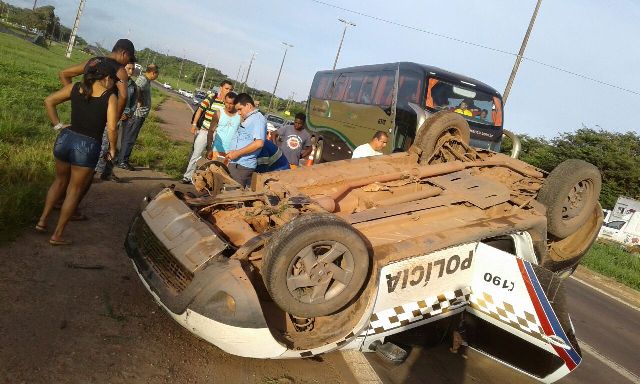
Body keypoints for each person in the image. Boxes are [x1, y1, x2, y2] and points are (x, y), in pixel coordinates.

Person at [36, 58, 118, 245]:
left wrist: (58, 125)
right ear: (105, 78)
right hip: (87, 145)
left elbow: (49, 101)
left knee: (59, 181)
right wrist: (113, 148)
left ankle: (42, 221)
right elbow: (112, 128)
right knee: (74, 190)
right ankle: (57, 235)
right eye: (113, 79)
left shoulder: (75, 87)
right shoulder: (109, 97)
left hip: (65, 138)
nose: (113, 83)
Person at [182, 80, 234, 183]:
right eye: (226, 88)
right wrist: (194, 124)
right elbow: (200, 110)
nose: (228, 91)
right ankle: (188, 177)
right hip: (205, 131)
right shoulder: (212, 97)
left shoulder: (230, 103)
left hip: (219, 135)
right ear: (221, 88)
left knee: (212, 158)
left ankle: (205, 180)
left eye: (231, 89)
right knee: (196, 154)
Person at [97, 61, 138, 181]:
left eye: (132, 69)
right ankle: (94, 170)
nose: (130, 71)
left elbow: (134, 102)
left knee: (117, 146)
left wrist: (128, 113)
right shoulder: (114, 81)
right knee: (104, 144)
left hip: (122, 119)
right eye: (128, 68)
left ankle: (108, 172)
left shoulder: (133, 86)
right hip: (110, 116)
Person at [116, 63, 159, 170]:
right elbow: (136, 89)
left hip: (139, 115)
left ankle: (121, 159)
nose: (157, 76)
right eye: (157, 74)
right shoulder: (143, 80)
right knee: (129, 138)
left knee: (129, 137)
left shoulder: (146, 80)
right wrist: (138, 100)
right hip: (136, 114)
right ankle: (122, 161)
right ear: (153, 73)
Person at [225, 93, 266, 188]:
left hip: (242, 166)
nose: (238, 112)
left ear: (248, 105)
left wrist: (237, 153)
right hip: (236, 163)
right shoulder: (249, 118)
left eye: (240, 109)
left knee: (232, 195)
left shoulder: (258, 119)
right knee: (227, 192)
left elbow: (259, 143)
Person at [204, 91, 241, 161]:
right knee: (213, 170)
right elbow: (211, 131)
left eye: (231, 104)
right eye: (227, 103)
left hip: (231, 152)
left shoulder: (240, 116)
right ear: (224, 101)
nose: (228, 106)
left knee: (225, 172)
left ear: (236, 103)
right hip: (216, 149)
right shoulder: (218, 113)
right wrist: (209, 149)